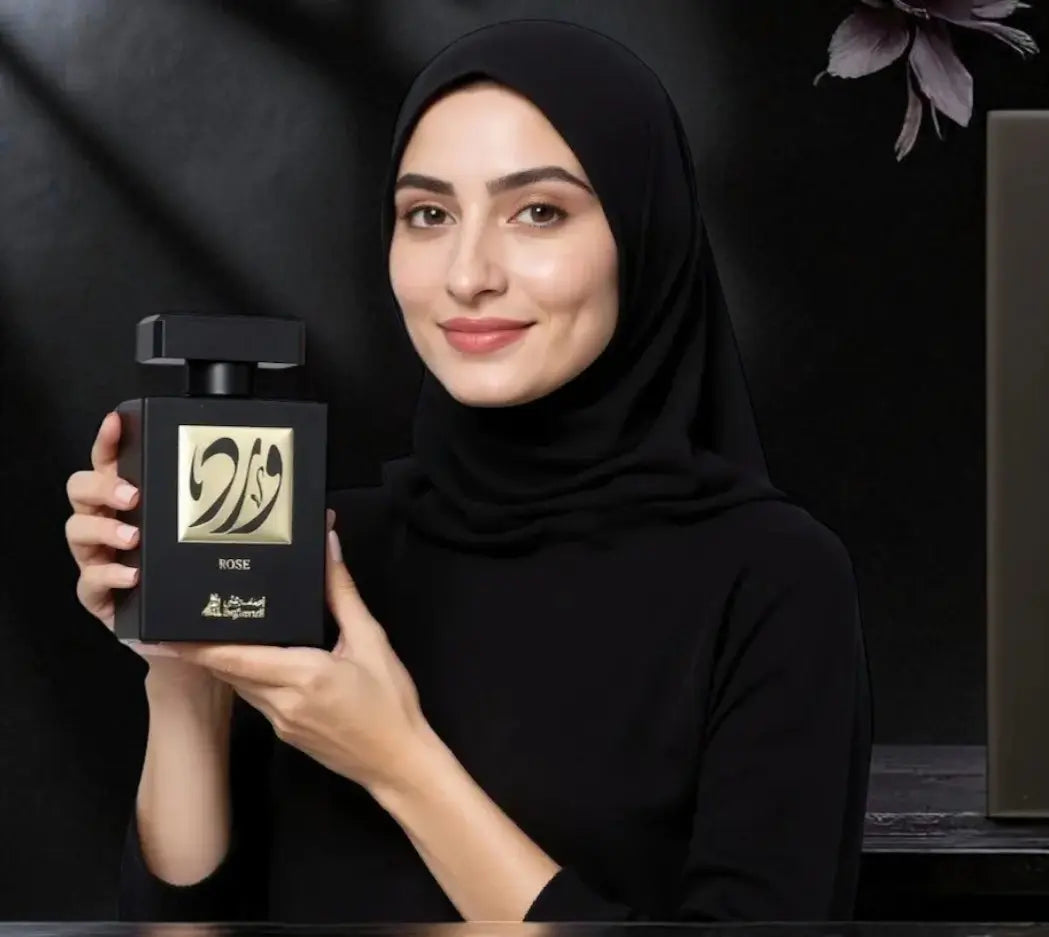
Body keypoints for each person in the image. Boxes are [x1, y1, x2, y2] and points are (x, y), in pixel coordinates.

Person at [61, 19, 872, 923]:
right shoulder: (324, 553)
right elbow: (183, 924)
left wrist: (398, 761)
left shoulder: (772, 580)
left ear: (646, 237)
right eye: (429, 215)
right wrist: (181, 668)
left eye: (538, 212)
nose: (468, 274)